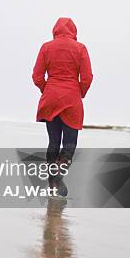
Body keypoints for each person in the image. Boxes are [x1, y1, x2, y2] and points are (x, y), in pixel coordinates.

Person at [32, 17, 93, 176]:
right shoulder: (80, 48)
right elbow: (86, 78)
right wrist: (79, 93)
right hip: (72, 99)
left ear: (55, 30)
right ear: (74, 31)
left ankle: (53, 181)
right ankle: (58, 176)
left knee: (53, 143)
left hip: (51, 98)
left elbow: (37, 76)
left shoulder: (46, 47)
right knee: (69, 144)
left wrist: (48, 90)